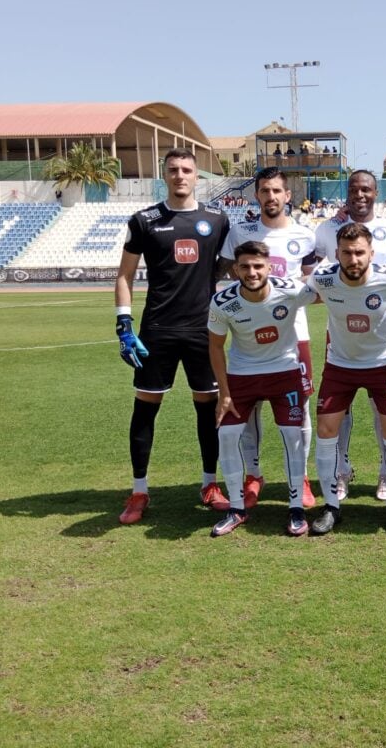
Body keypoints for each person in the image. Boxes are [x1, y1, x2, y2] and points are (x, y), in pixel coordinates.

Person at [114, 148, 231, 524]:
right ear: (163, 175)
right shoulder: (144, 220)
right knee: (145, 408)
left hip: (203, 329)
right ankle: (139, 491)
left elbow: (231, 266)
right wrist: (123, 324)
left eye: (187, 170)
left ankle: (210, 484)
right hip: (158, 330)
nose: (180, 175)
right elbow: (124, 276)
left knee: (209, 409)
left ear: (198, 175)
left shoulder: (217, 219)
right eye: (173, 170)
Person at [219, 167, 319, 509]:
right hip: (247, 335)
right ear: (257, 195)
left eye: (277, 190)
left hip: (294, 335)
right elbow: (227, 277)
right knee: (247, 409)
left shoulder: (305, 235)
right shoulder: (239, 233)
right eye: (265, 190)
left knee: (300, 407)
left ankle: (301, 476)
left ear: (287, 195)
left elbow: (310, 287)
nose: (271, 196)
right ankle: (253, 474)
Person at [305, 223, 386, 535]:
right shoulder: (323, 278)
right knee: (326, 427)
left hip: (383, 363)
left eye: (360, 253)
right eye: (347, 253)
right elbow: (303, 294)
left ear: (371, 253)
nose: (353, 259)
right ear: (337, 253)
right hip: (340, 364)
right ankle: (331, 506)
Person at [207, 241, 316, 537]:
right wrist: (224, 393)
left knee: (293, 436)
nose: (252, 272)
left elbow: (329, 292)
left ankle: (295, 509)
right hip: (242, 375)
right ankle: (237, 509)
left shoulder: (292, 290)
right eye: (245, 266)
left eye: (258, 266)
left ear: (269, 267)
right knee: (227, 435)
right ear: (235, 269)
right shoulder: (222, 301)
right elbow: (215, 347)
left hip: (285, 372)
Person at [313, 170, 386, 501]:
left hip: (380, 343)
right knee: (339, 412)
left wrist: (379, 308)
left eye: (366, 189)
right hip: (338, 337)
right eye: (354, 189)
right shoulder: (326, 228)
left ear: (376, 192)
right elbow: (305, 269)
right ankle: (341, 471)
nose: (360, 194)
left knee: (383, 412)